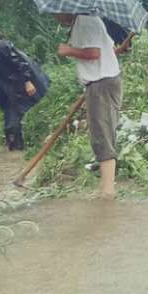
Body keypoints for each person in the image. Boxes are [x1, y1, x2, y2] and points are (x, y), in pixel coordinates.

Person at [55, 12, 122, 199]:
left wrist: (68, 50)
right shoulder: (88, 19)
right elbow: (108, 46)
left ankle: (108, 190)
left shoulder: (85, 21)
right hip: (102, 82)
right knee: (102, 132)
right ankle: (104, 186)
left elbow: (94, 53)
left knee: (102, 134)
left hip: (101, 83)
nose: (56, 17)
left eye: (57, 12)